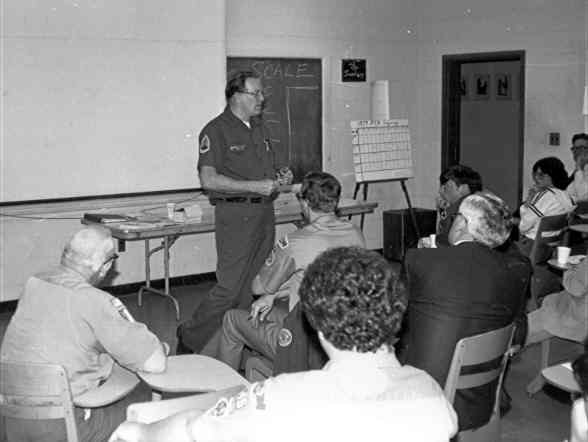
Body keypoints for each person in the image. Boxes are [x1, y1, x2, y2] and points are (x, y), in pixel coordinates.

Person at [109, 247, 458, 442]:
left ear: (317, 325)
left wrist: (137, 430)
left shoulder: (281, 396)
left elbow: (193, 430)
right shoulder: (431, 395)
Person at [0, 226, 168, 442]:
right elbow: (155, 363)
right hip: (65, 427)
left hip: (11, 420)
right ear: (105, 266)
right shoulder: (94, 300)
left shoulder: (35, 283)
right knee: (145, 390)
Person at [177, 70, 293, 354]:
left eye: (262, 93)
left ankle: (241, 338)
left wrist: (281, 175)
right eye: (256, 93)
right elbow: (208, 180)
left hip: (264, 214)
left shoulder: (259, 128)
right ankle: (189, 337)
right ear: (236, 96)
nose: (262, 98)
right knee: (229, 288)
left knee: (255, 283)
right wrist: (255, 186)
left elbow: (268, 168)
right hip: (236, 215)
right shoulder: (215, 130)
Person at [403, 191, 532, 431]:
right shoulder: (519, 269)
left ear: (462, 223)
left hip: (423, 398)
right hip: (479, 400)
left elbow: (396, 321)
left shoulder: (420, 260)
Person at [216, 171, 365, 371]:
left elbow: (258, 287)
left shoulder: (295, 242)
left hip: (304, 344)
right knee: (268, 312)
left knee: (232, 320)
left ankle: (227, 385)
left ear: (305, 203)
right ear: (335, 202)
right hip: (344, 331)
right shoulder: (355, 233)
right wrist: (274, 295)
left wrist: (271, 291)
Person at [517, 156, 574, 256]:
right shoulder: (566, 195)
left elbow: (523, 227)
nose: (536, 178)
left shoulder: (545, 196)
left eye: (541, 175)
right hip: (551, 248)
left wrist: (529, 200)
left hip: (531, 247)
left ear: (553, 175)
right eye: (535, 174)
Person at [525, 255, 588, 346]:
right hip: (580, 321)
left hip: (572, 317)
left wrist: (569, 269)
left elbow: (575, 288)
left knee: (518, 332)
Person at [428, 164, 482, 247]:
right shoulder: (480, 203)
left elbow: (444, 241)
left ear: (462, 188)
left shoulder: (461, 208)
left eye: (445, 187)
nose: (440, 191)